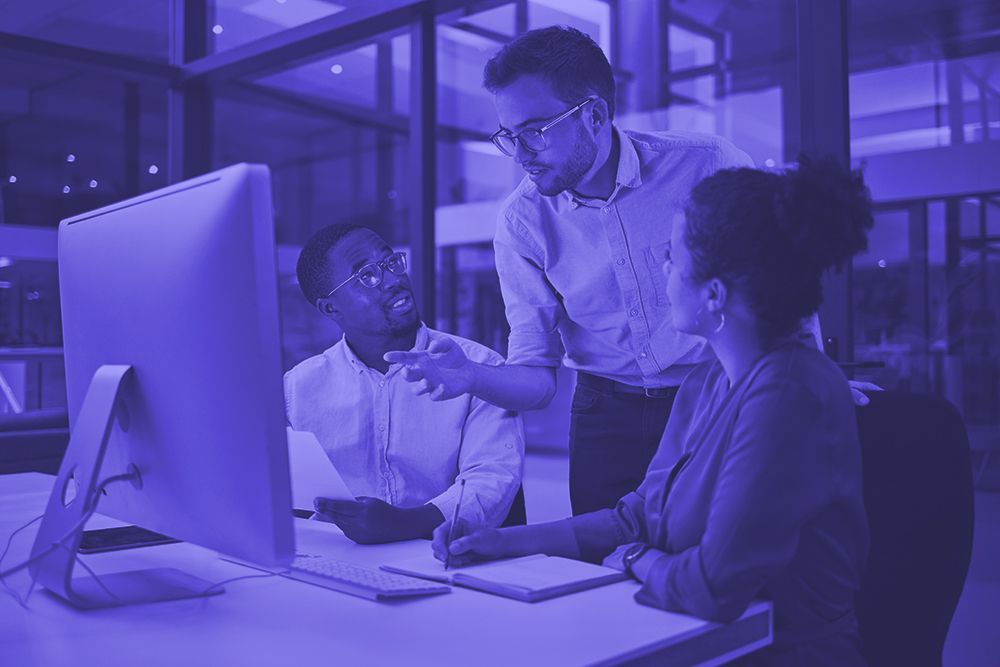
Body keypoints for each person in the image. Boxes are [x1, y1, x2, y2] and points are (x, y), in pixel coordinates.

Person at [431, 158, 873, 666]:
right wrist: (502, 542)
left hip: (770, 652)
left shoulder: (789, 393)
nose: (663, 268)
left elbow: (712, 587)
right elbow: (636, 517)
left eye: (673, 255)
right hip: (688, 636)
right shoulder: (707, 380)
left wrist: (637, 560)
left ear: (713, 294)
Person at [386, 26, 758, 516]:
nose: (521, 156)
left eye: (535, 131)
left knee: (718, 559)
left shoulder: (706, 166)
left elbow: (779, 279)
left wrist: (797, 376)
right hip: (604, 415)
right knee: (604, 570)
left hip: (716, 394)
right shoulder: (522, 223)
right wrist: (472, 376)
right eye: (508, 137)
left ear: (595, 115)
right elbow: (538, 381)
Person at [284, 223, 524, 544]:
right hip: (338, 556)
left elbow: (492, 480)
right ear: (331, 308)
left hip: (448, 556)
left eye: (391, 263)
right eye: (367, 276)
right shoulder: (298, 389)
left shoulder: (479, 367)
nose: (394, 280)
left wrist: (406, 523)